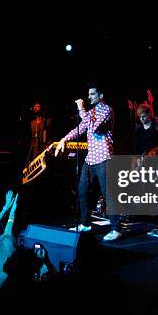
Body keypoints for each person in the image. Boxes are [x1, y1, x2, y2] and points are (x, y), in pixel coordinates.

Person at [55, 83, 121, 241]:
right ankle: (85, 223)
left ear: (101, 96)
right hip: (90, 159)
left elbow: (95, 125)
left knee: (108, 194)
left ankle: (116, 229)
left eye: (92, 94)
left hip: (104, 157)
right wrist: (63, 139)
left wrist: (80, 108)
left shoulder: (106, 109)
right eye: (88, 94)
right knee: (82, 189)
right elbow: (80, 128)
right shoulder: (89, 112)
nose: (89, 96)